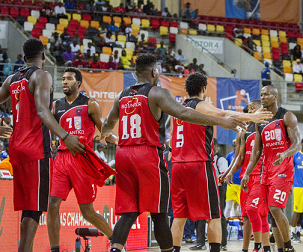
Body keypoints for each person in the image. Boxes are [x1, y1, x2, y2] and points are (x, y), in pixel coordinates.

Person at [100, 54, 249, 252]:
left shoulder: (121, 96)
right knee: (160, 212)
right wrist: (221, 121)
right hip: (148, 155)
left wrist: (105, 135)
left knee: (129, 211)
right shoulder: (157, 93)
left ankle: (115, 248)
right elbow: (184, 113)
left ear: (135, 72)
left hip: (123, 155)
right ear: (154, 72)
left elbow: (108, 123)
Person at [169, 72, 272, 252]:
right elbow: (224, 113)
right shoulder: (200, 105)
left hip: (177, 167)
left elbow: (172, 141)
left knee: (179, 217)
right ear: (203, 89)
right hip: (198, 164)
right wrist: (251, 117)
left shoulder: (177, 110)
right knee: (214, 217)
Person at [0, 38, 83, 251]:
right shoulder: (42, 75)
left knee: (29, 211)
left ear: (25, 57)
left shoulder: (11, 80)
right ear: (44, 56)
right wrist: (66, 136)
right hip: (34, 149)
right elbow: (42, 110)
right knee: (34, 210)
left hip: (16, 149)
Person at [47, 67, 118, 252]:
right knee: (52, 204)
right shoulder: (56, 106)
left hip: (82, 158)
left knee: (87, 212)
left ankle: (116, 241)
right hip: (61, 158)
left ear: (78, 83)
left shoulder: (90, 104)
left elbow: (104, 130)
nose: (64, 82)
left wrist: (120, 141)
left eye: (69, 79)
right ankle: (55, 249)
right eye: (62, 79)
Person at [241, 85, 301, 252]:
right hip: (266, 172)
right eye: (261, 94)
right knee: (273, 214)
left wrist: (285, 153)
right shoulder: (259, 121)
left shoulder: (286, 116)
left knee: (275, 207)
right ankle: (281, 249)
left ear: (275, 97)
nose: (262, 96)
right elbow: (256, 152)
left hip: (284, 169)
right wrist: (246, 173)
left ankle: (289, 247)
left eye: (266, 94)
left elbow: (297, 142)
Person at [223, 100, 271, 252]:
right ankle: (247, 249)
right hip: (245, 177)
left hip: (260, 177)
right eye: (249, 109)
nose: (250, 111)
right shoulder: (244, 131)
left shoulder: (266, 128)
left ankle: (259, 246)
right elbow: (240, 157)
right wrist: (229, 172)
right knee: (245, 216)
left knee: (256, 212)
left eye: (253, 108)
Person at [213, 138, 228, 251]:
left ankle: (223, 242)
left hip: (220, 188)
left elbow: (224, 176)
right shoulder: (206, 157)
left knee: (220, 215)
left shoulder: (221, 159)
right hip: (209, 188)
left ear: (216, 146)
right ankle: (202, 242)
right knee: (207, 216)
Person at [291, 139, 303, 243]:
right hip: (298, 187)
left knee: (302, 212)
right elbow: (290, 170)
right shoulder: (296, 155)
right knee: (297, 211)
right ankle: (293, 232)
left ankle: (298, 232)